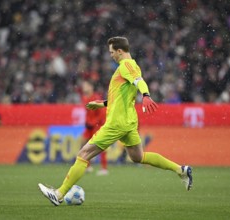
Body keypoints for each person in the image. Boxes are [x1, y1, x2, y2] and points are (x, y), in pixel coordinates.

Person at [38, 36, 193, 206]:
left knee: (84, 154)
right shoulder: (132, 66)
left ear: (120, 51)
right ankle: (181, 170)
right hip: (128, 121)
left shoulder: (126, 65)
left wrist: (147, 96)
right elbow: (123, 95)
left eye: (112, 52)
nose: (111, 55)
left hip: (117, 123)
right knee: (138, 157)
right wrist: (102, 104)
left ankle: (59, 195)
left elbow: (140, 83)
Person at [80, 80, 108, 175]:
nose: (84, 88)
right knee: (84, 144)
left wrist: (93, 123)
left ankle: (104, 168)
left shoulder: (96, 98)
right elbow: (88, 113)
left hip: (97, 126)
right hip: (89, 126)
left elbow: (101, 114)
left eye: (86, 86)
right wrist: (87, 123)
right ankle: (88, 166)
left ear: (91, 87)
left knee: (99, 146)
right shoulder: (84, 98)